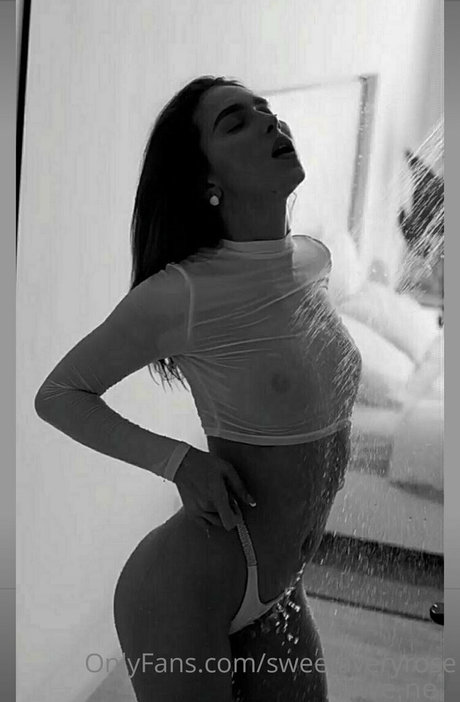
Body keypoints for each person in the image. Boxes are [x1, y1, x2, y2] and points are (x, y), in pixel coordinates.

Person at [34, 75, 362, 702]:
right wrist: (179, 463)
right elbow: (59, 394)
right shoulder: (182, 292)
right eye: (236, 122)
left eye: (266, 110)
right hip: (188, 587)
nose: (269, 121)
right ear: (206, 182)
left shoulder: (310, 261)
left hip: (279, 585)